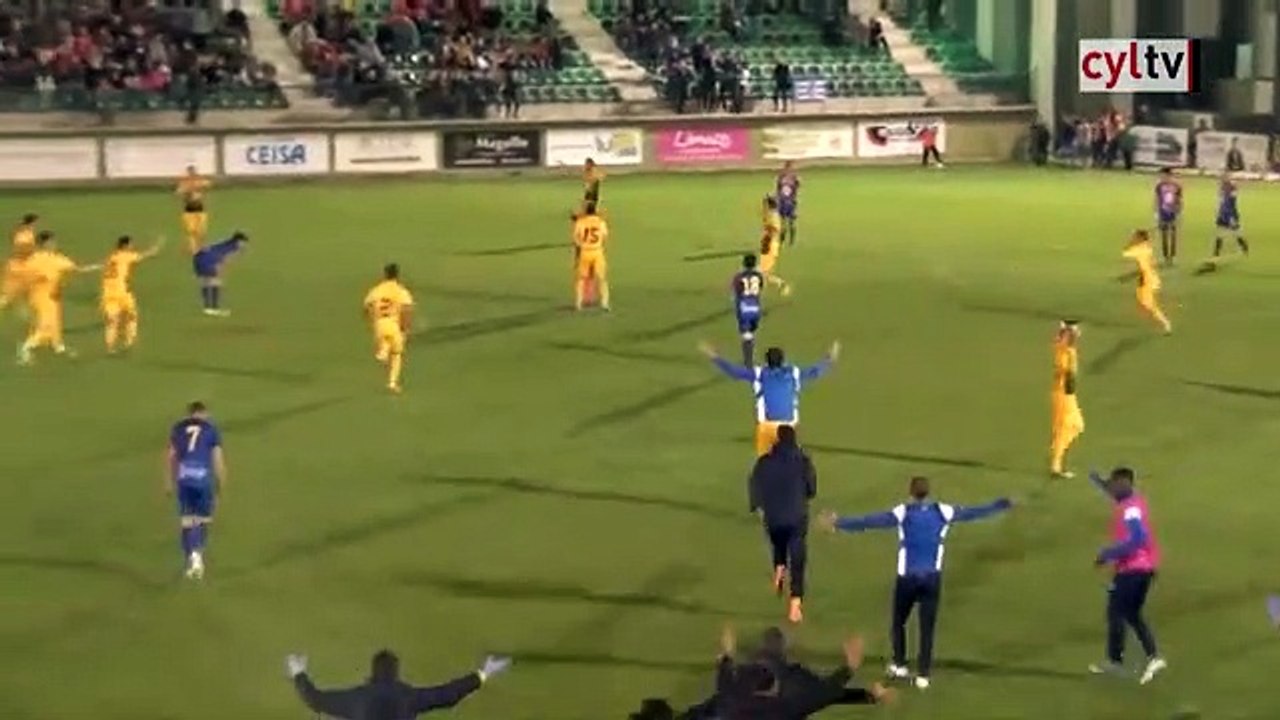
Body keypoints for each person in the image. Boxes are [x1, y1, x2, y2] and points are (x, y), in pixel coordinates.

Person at [820, 476, 1012, 690]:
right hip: (932, 579)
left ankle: (900, 664)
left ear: (911, 493)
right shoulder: (943, 511)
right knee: (926, 628)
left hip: (908, 579)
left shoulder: (904, 513)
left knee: (898, 621)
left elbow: (871, 521)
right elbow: (973, 513)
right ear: (928, 492)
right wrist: (1000, 505)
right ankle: (923, 675)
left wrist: (839, 523)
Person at [1087, 467, 1167, 685]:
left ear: (1125, 484)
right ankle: (1153, 657)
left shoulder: (1131, 510)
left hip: (1134, 569)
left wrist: (1107, 554)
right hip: (1142, 568)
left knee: (1116, 612)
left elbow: (1138, 538)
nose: (1111, 488)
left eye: (1114, 484)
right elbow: (1110, 490)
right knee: (1131, 614)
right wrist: (1095, 479)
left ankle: (1116, 661)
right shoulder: (1130, 500)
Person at [699, 341, 839, 456]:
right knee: (788, 465)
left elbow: (734, 371)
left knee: (766, 466)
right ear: (783, 361)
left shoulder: (760, 374)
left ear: (767, 361)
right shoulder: (794, 373)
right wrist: (830, 358)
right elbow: (815, 372)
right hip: (789, 427)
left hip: (767, 427)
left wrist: (714, 357)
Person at [286, 649, 511, 719]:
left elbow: (314, 699)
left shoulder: (356, 699)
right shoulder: (408, 697)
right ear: (395, 672)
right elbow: (448, 694)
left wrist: (298, 672)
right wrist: (483, 673)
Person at [713, 624, 876, 719]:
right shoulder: (785, 705)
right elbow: (825, 693)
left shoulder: (732, 693)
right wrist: (851, 668)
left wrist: (726, 655)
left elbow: (725, 677)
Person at [749, 425, 816, 623]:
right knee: (797, 557)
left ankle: (779, 566)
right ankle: (795, 603)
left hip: (774, 517)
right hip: (796, 517)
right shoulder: (803, 461)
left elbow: (754, 485)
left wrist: (757, 506)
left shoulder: (764, 462)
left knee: (778, 541)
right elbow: (812, 489)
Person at [18, 231, 100, 365]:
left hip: (53, 297)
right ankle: (25, 348)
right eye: (52, 242)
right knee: (45, 325)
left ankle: (58, 346)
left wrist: (97, 267)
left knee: (55, 322)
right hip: (40, 297)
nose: (54, 244)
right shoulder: (34, 260)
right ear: (44, 244)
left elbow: (77, 269)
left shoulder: (57, 259)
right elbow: (24, 278)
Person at [167, 401, 226, 580]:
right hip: (202, 480)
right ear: (203, 413)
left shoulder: (178, 428)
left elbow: (171, 456)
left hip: (184, 479)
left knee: (187, 521)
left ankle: (192, 560)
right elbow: (218, 460)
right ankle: (196, 558)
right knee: (200, 521)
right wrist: (220, 485)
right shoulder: (211, 429)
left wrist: (169, 481)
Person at [101, 235, 165, 354]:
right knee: (132, 317)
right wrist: (158, 245)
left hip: (108, 293)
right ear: (125, 246)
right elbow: (149, 254)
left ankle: (110, 347)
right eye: (131, 244)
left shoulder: (111, 257)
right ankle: (129, 342)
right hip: (122, 292)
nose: (132, 246)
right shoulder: (126, 256)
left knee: (112, 322)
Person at [363, 263, 415, 394]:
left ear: (385, 274)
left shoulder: (376, 290)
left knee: (387, 342)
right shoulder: (400, 290)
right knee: (397, 353)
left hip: (379, 324)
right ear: (397, 274)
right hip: (394, 324)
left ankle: (383, 352)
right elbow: (406, 310)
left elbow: (366, 306)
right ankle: (392, 383)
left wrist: (371, 320)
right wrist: (406, 328)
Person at [1050, 320, 1084, 478]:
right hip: (1064, 393)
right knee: (1067, 427)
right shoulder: (1066, 352)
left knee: (1077, 425)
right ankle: (1056, 464)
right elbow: (1068, 374)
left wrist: (1066, 329)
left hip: (1067, 393)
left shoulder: (1065, 349)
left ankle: (1058, 452)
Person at [1122, 229, 1172, 334]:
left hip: (1148, 279)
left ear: (1140, 238)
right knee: (1141, 299)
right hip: (1147, 277)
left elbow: (1124, 253)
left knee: (1149, 304)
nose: (1134, 238)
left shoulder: (1139, 249)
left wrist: (1130, 242)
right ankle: (1161, 320)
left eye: (1136, 237)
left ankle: (1166, 324)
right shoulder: (1146, 247)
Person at [192, 231, 248, 316]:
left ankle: (207, 308)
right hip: (209, 261)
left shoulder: (225, 243)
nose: (244, 245)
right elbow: (225, 260)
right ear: (239, 241)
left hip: (198, 258)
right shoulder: (234, 248)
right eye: (244, 243)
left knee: (206, 283)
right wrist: (220, 271)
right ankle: (214, 308)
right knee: (216, 283)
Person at [572, 202, 610, 311]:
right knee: (602, 279)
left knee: (581, 279)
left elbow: (576, 239)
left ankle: (578, 303)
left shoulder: (580, 222)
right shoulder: (601, 222)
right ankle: (605, 303)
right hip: (597, 252)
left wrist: (580, 249)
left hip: (585, 252)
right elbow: (605, 237)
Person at [0, 213, 38, 315]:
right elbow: (22, 251)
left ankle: (28, 317)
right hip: (19, 268)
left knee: (26, 294)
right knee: (9, 296)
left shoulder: (23, 234)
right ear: (32, 223)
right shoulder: (25, 237)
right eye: (35, 223)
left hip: (18, 266)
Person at [731, 254, 765, 366]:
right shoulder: (759, 276)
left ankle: (748, 362)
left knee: (746, 334)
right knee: (751, 333)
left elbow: (736, 292)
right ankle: (749, 358)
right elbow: (760, 288)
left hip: (744, 308)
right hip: (756, 308)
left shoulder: (739, 277)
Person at [1211, 173, 1248, 260]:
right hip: (1222, 214)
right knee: (1219, 233)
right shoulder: (1222, 190)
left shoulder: (1232, 192)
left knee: (1235, 231)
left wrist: (1232, 217)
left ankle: (1243, 245)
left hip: (1230, 215)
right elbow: (1220, 203)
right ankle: (1216, 253)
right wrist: (1218, 212)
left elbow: (1231, 204)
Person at [758, 196, 790, 295]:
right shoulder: (770, 215)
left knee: (765, 273)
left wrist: (768, 234)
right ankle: (758, 289)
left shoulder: (774, 216)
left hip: (771, 247)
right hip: (768, 245)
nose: (763, 207)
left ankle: (782, 284)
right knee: (762, 271)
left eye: (765, 205)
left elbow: (776, 230)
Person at [176, 165, 211, 253]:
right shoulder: (184, 183)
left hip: (200, 209)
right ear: (188, 172)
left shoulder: (199, 180)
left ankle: (202, 246)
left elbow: (208, 183)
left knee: (202, 230)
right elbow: (178, 192)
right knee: (191, 231)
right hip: (189, 211)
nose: (192, 173)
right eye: (190, 172)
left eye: (193, 171)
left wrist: (200, 187)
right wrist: (185, 191)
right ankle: (194, 248)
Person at [1153, 168, 1182, 265]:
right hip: (1163, 213)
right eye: (1161, 176)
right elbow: (1156, 199)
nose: (1162, 177)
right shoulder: (1159, 186)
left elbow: (1179, 200)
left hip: (1173, 213)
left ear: (1169, 175)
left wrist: (1179, 212)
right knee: (1164, 236)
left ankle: (1173, 256)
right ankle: (1165, 256)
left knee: (1173, 235)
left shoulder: (1176, 186)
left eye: (1163, 176)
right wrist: (1156, 213)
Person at [775, 162, 800, 246]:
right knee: (783, 221)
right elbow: (778, 189)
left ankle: (791, 240)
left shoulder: (794, 177)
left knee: (790, 221)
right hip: (783, 201)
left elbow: (796, 188)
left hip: (789, 202)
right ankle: (782, 238)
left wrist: (794, 199)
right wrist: (778, 198)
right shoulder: (781, 177)